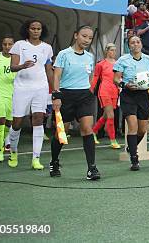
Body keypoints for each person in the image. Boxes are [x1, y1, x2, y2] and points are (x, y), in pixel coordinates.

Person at [49, 26, 100, 180]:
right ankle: (54, 161)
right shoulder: (64, 54)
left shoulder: (89, 56)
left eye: (90, 38)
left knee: (86, 129)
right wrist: (56, 95)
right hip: (65, 95)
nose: (87, 40)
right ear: (76, 35)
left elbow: (90, 76)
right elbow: (56, 76)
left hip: (84, 96)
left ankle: (92, 168)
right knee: (61, 134)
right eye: (84, 36)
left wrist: (89, 91)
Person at [8, 19, 54, 170]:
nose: (35, 31)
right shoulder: (19, 45)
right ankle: (13, 152)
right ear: (27, 30)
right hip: (22, 87)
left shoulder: (47, 48)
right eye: (33, 28)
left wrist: (54, 90)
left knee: (38, 119)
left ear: (42, 30)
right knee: (17, 122)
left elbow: (49, 70)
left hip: (40, 87)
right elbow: (12, 67)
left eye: (38, 28)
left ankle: (36, 158)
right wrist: (22, 66)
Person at [113, 35, 149, 171]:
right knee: (132, 126)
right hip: (128, 95)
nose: (135, 44)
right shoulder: (123, 60)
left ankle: (130, 147)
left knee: (142, 130)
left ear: (141, 44)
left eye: (138, 42)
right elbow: (116, 79)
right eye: (132, 42)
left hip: (143, 95)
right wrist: (124, 84)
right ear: (129, 45)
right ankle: (134, 159)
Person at [90, 43, 121, 149]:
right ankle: (113, 140)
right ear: (106, 51)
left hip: (115, 91)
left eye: (115, 50)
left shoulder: (118, 63)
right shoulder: (101, 64)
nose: (113, 52)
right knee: (111, 115)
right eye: (111, 50)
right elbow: (95, 77)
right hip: (104, 91)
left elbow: (121, 77)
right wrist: (91, 89)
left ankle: (93, 132)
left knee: (106, 115)